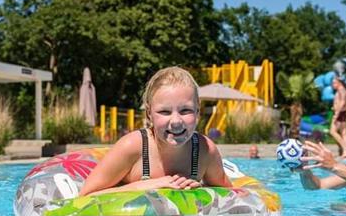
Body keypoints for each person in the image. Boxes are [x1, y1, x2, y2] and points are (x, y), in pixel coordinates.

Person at [80, 66, 232, 196]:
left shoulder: (204, 150)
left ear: (198, 111)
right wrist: (147, 185)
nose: (176, 121)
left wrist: (201, 191)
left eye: (186, 110)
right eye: (164, 112)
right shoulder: (133, 147)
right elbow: (84, 197)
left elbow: (232, 195)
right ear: (149, 114)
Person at [330, 77, 346, 159]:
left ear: (339, 82)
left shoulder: (341, 90)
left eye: (334, 83)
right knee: (343, 132)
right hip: (342, 113)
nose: (333, 85)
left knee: (332, 131)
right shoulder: (342, 90)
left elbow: (342, 102)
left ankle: (345, 148)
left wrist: (336, 114)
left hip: (340, 113)